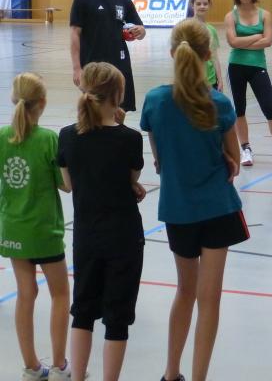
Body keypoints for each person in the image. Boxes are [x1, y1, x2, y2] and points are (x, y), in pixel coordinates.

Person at [140, 19, 250, 381]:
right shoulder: (218, 104)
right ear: (207, 56)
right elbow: (233, 163)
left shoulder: (156, 101)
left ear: (174, 53)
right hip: (217, 209)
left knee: (184, 292)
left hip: (177, 210)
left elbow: (157, 159)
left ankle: (171, 373)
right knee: (209, 299)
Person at [57, 62, 146, 381]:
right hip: (123, 238)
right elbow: (130, 177)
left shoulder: (67, 136)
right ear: (118, 95)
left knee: (82, 312)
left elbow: (69, 184)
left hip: (86, 236)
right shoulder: (130, 139)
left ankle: (78, 376)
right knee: (117, 317)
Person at [0, 73, 71, 381]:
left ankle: (31, 366)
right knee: (60, 294)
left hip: (14, 229)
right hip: (45, 231)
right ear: (42, 103)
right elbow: (66, 185)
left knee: (25, 293)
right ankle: (58, 366)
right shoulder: (48, 139)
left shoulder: (2, 137)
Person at [224, 0, 272, 168]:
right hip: (236, 66)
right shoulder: (231, 16)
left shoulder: (265, 15)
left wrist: (244, 40)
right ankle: (246, 149)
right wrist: (256, 36)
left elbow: (268, 41)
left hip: (257, 67)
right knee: (239, 109)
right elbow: (233, 42)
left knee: (269, 108)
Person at [70, 0, 146, 115]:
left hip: (119, 64)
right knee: (92, 111)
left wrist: (140, 31)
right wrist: (77, 68)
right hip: (92, 66)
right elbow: (75, 34)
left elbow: (141, 29)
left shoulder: (123, 0)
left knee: (119, 110)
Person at [190, 0, 223, 91]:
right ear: (192, 5)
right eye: (198, 4)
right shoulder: (186, 27)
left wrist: (220, 80)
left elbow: (214, 57)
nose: (202, 6)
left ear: (209, 6)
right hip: (191, 80)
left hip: (210, 81)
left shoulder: (212, 30)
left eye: (205, 4)